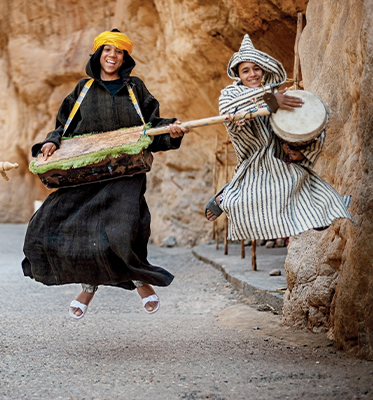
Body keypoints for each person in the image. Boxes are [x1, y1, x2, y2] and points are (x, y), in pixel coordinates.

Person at [22, 29, 188, 319]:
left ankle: (139, 282)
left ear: (125, 57)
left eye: (119, 51)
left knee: (122, 232)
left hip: (126, 175)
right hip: (87, 175)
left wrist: (171, 130)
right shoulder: (82, 90)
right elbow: (63, 127)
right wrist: (51, 141)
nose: (113, 56)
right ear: (98, 54)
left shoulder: (136, 89)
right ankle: (90, 285)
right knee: (56, 227)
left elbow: (152, 127)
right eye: (108, 50)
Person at [205, 35, 352, 240]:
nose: (252, 74)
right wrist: (271, 100)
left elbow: (308, 122)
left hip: (278, 155)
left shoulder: (278, 92)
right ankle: (225, 197)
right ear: (238, 74)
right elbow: (228, 110)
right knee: (247, 200)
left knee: (304, 186)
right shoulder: (230, 93)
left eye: (256, 68)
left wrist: (301, 152)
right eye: (245, 70)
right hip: (252, 157)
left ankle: (312, 213)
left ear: (263, 69)